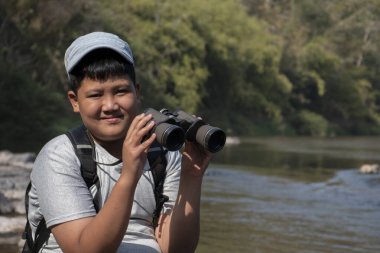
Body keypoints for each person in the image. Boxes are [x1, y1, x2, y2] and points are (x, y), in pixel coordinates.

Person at [27, 31, 212, 253]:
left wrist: (192, 175)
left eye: (121, 91)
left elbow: (176, 250)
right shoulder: (59, 155)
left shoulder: (163, 154)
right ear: (75, 101)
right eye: (95, 95)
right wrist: (130, 172)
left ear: (137, 92)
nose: (110, 105)